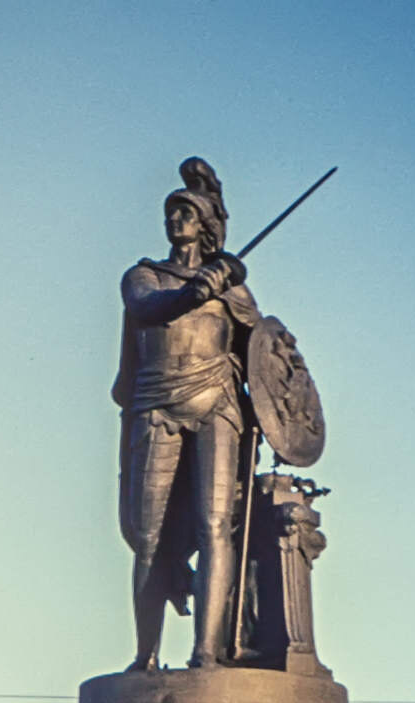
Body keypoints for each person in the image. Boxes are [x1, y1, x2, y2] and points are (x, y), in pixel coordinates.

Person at [113, 157, 260, 670]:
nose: (174, 220)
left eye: (186, 213)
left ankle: (206, 653)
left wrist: (225, 281)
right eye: (171, 212)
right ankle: (146, 656)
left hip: (216, 402)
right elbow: (148, 308)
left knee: (214, 525)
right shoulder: (144, 276)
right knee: (148, 538)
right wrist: (198, 289)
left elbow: (263, 354)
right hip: (156, 404)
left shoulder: (233, 291)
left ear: (205, 225)